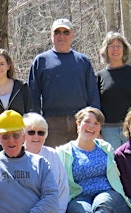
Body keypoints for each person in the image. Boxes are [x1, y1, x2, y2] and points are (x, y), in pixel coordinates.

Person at [56, 107, 131, 213]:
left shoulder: (106, 148)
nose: (91, 126)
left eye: (96, 123)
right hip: (79, 198)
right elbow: (57, 184)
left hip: (109, 197)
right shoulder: (62, 152)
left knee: (101, 202)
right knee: (81, 212)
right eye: (87, 121)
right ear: (78, 124)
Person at [28, 18, 100, 147]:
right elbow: (33, 95)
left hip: (80, 121)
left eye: (66, 32)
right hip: (51, 122)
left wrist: (94, 122)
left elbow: (93, 93)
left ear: (72, 35)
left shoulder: (83, 61)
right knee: (54, 163)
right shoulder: (41, 60)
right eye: (57, 32)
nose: (61, 36)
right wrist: (35, 122)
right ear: (51, 35)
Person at [96, 31, 131, 149]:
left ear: (124, 49)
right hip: (108, 130)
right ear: (106, 50)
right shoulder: (99, 76)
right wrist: (98, 130)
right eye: (111, 46)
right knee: (113, 165)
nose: (115, 49)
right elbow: (96, 105)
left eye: (118, 46)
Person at [22, 112, 69, 213]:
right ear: (22, 133)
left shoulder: (53, 155)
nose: (36, 136)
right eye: (31, 132)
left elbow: (62, 188)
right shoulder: (15, 156)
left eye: (41, 132)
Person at [0, 48, 33, 156]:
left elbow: (30, 115)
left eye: (2, 64)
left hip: (19, 145)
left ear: (8, 65)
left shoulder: (21, 87)